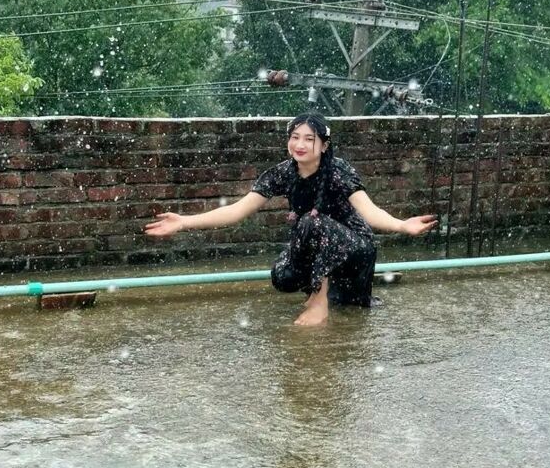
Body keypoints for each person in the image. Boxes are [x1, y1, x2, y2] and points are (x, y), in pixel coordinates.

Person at [144, 113, 436, 326]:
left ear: (324, 145)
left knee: (311, 221)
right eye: (295, 137)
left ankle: (319, 303)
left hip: (355, 249)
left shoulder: (338, 171)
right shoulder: (284, 172)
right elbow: (237, 210)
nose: (300, 144)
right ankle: (320, 290)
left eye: (309, 139)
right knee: (282, 276)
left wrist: (401, 225)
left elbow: (369, 211)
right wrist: (184, 221)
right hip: (320, 247)